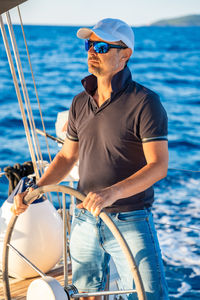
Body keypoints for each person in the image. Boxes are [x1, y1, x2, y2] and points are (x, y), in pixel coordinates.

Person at [12, 18, 169, 300]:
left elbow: (158, 165)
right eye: (89, 44)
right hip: (84, 216)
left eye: (101, 46)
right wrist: (36, 190)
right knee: (85, 294)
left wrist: (112, 193)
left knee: (149, 295)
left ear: (125, 55)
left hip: (130, 217)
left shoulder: (145, 102)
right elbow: (67, 156)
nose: (91, 52)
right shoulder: (79, 103)